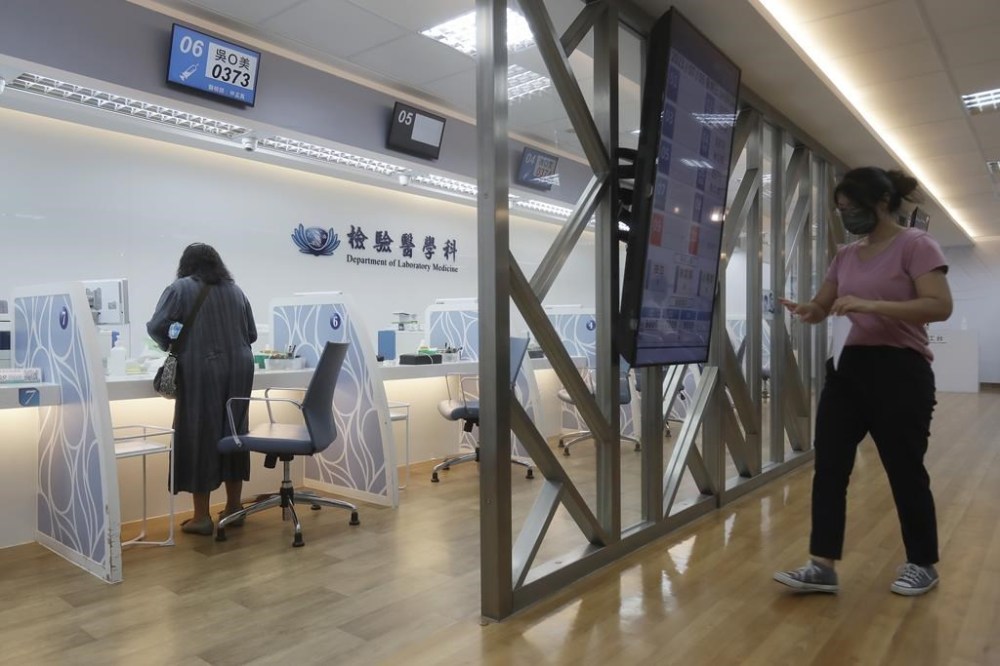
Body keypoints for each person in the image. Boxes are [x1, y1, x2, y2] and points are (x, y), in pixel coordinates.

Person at [773, 167, 952, 596]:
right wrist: (808, 311)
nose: (847, 216)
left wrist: (873, 305)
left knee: (904, 470)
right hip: (848, 371)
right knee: (830, 467)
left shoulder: (916, 245)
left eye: (852, 208)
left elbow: (939, 305)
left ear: (883, 203)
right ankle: (822, 565)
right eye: (841, 210)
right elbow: (824, 304)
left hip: (900, 372)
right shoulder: (845, 255)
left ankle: (922, 562)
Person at [147, 243, 257, 536]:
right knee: (234, 433)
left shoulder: (180, 289)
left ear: (186, 264)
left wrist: (177, 342)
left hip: (201, 369)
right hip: (240, 369)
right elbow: (252, 334)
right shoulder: (236, 291)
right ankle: (234, 508)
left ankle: (201, 517)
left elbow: (157, 326)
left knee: (199, 434)